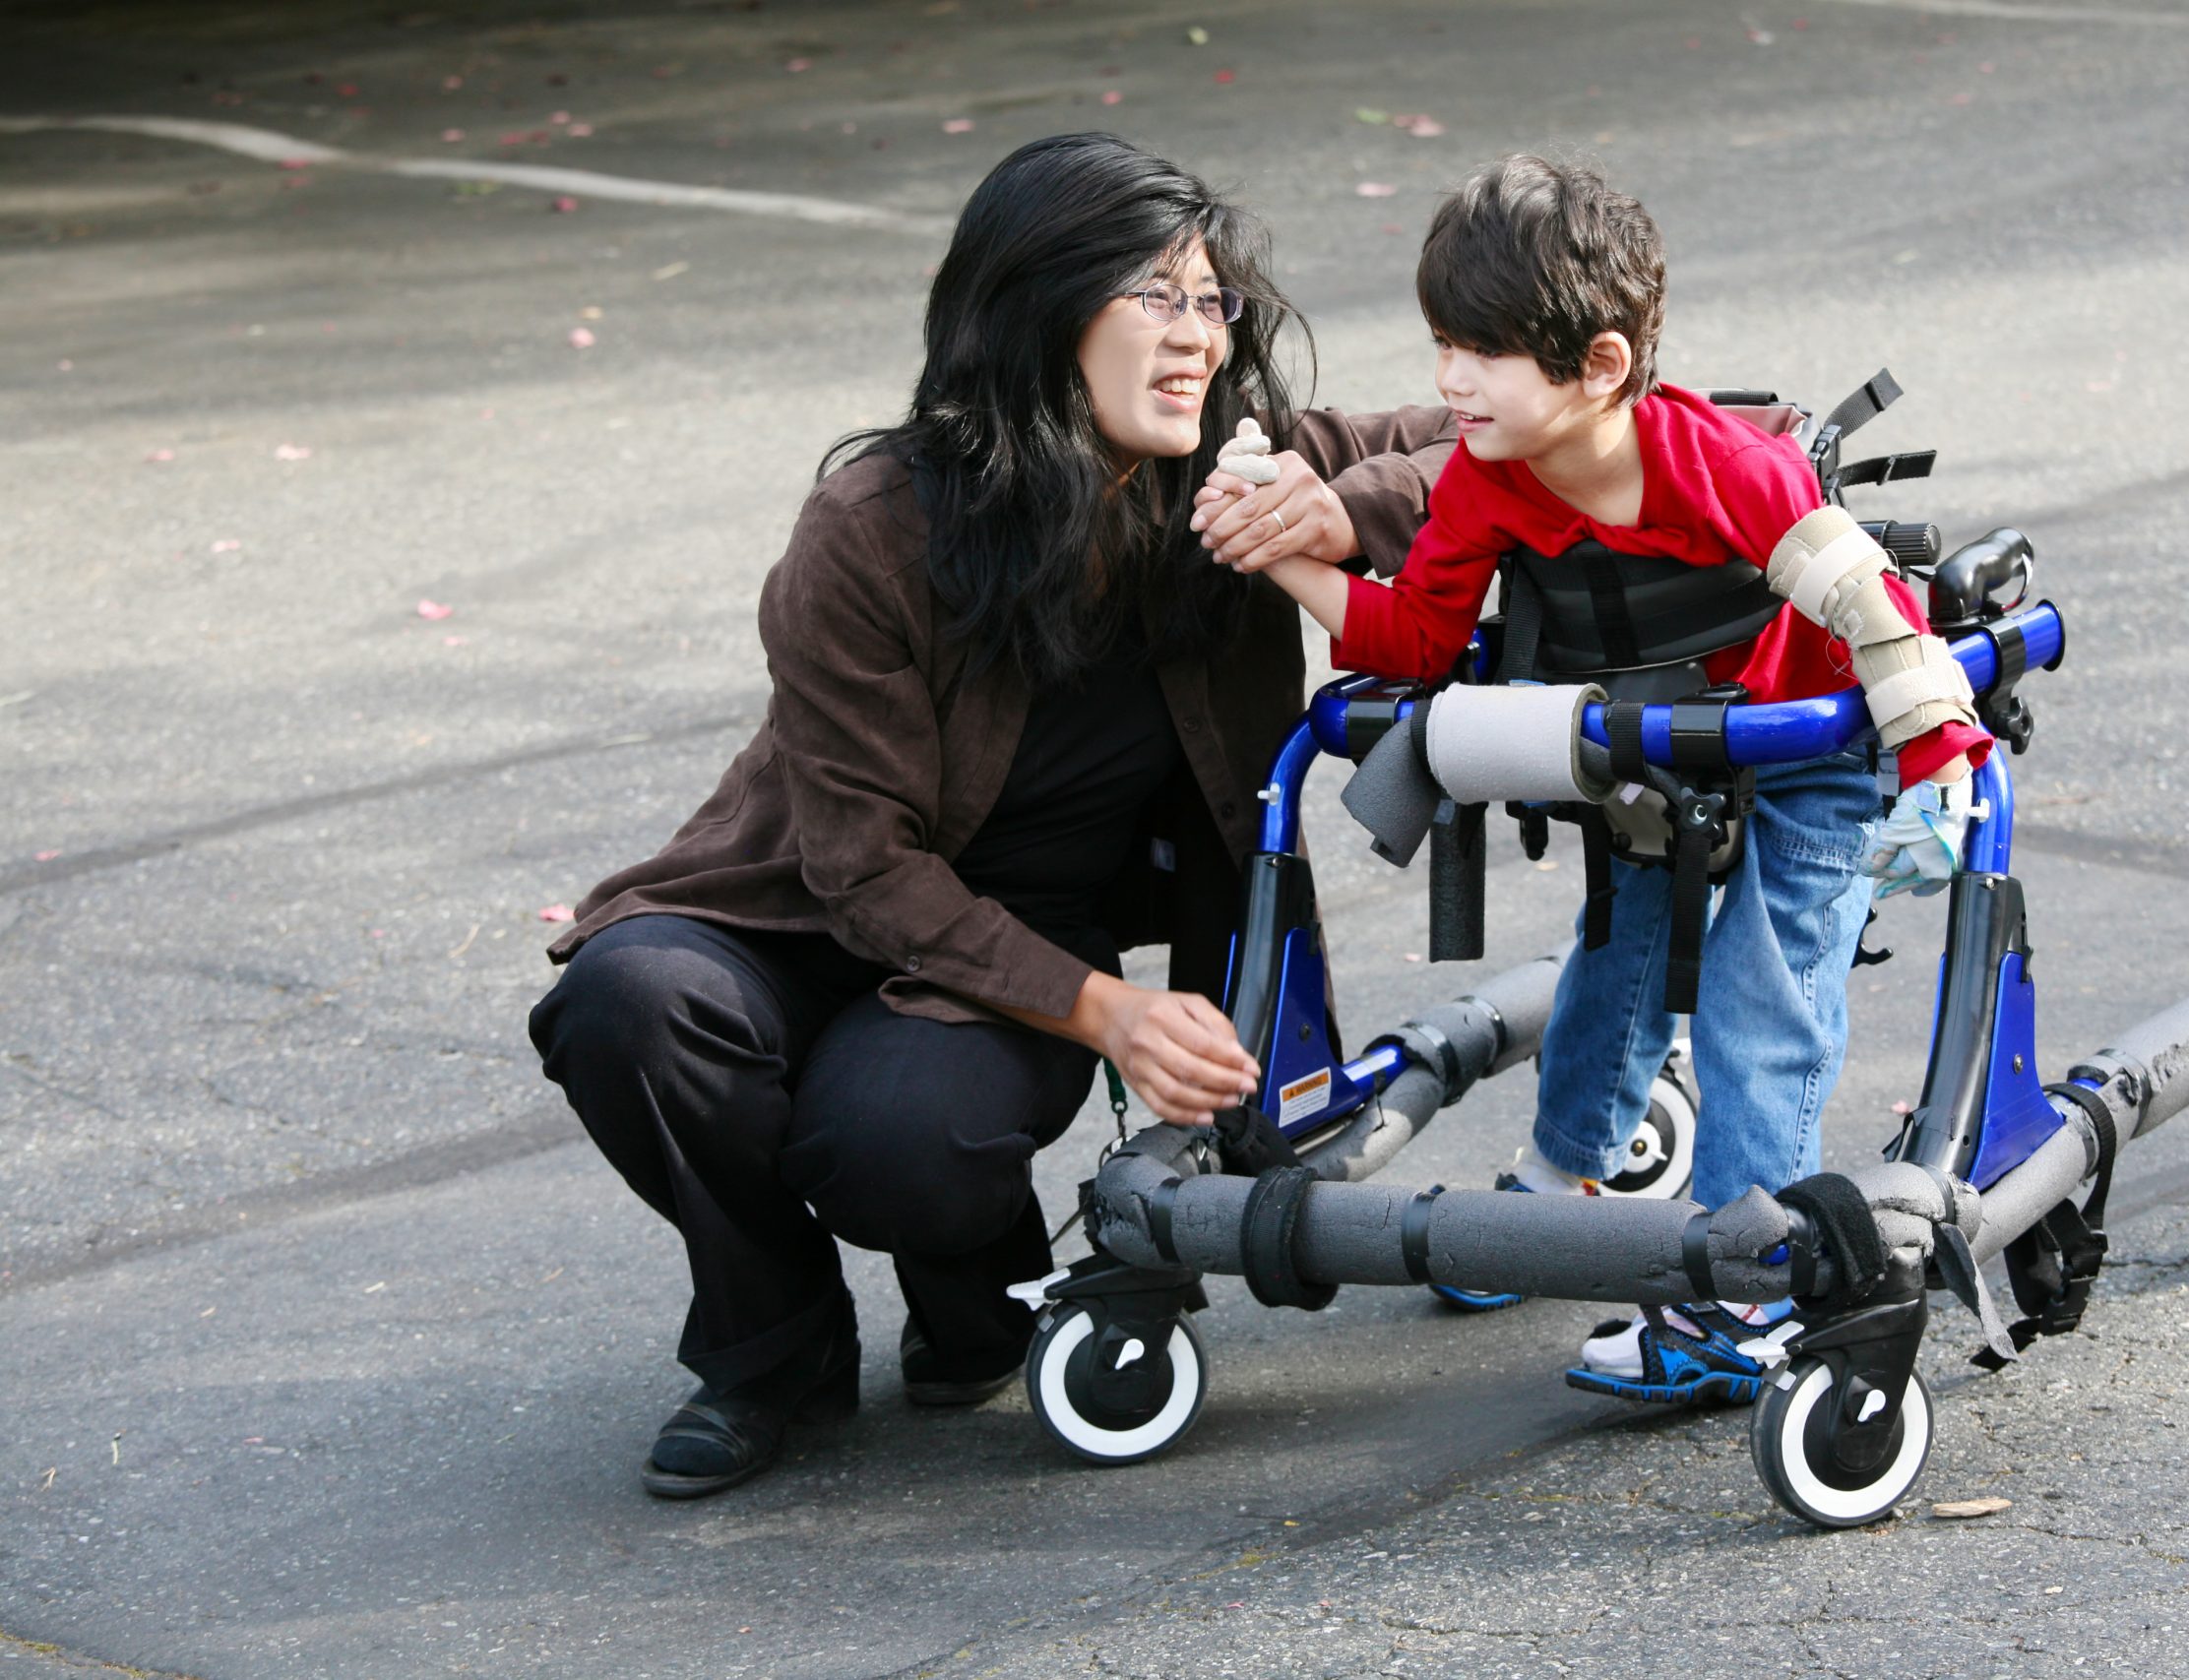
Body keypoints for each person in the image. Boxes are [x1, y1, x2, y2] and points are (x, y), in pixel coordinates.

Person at [529, 133, 1453, 1498]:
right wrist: (1112, 1015)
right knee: (627, 1002)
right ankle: (768, 1346)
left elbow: (1507, 434)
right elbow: (859, 866)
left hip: (1016, 937)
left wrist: (1342, 500)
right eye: (1156, 297)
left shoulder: (1230, 477)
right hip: (799, 908)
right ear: (1036, 308)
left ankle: (975, 1300)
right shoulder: (874, 525)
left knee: (895, 1143)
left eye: (1211, 299)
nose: (1197, 335)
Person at [1195, 155, 1991, 1404]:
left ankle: (1746, 1291)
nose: (1450, 380)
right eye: (1442, 345)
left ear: (1601, 366)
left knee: (1753, 993)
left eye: (1482, 353)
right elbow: (1410, 638)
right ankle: (1557, 1191)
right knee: (1612, 951)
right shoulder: (1488, 478)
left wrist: (1940, 766)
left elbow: (1870, 606)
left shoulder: (1721, 466)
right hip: (1649, 745)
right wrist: (1281, 554)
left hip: (1808, 751)